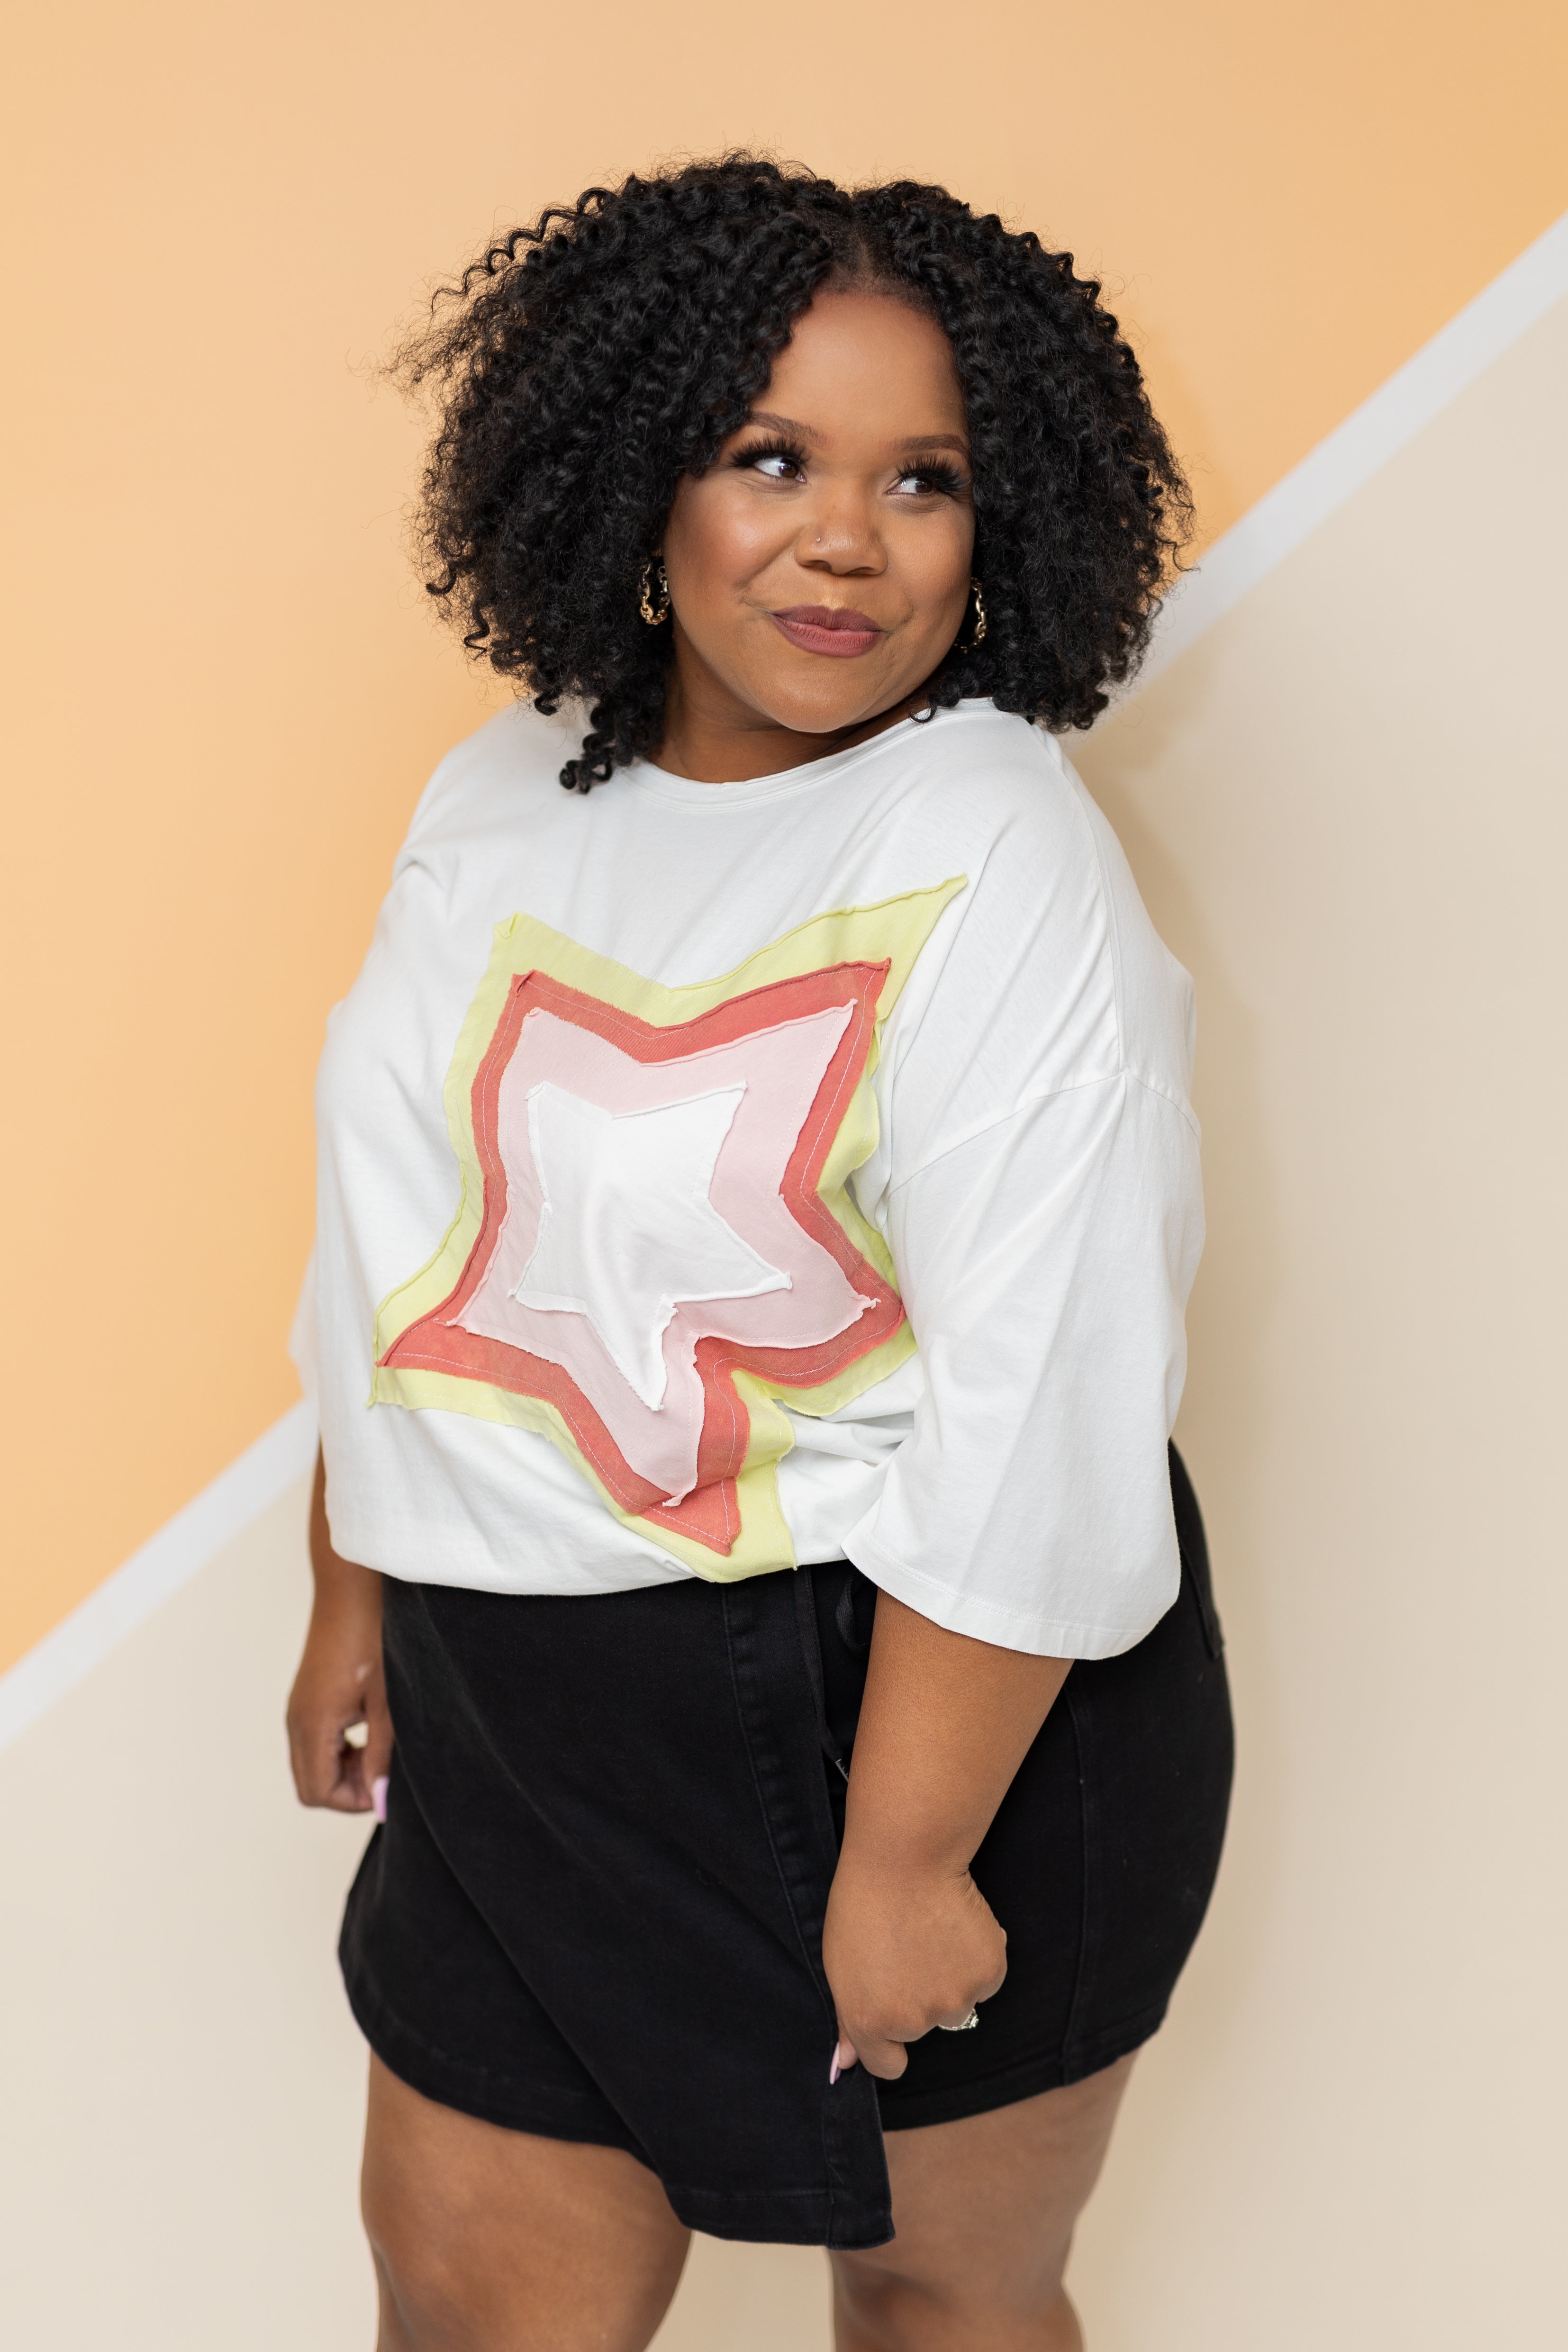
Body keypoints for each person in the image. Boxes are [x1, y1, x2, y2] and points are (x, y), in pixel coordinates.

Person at [287, 156, 1233, 2352]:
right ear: (639, 472)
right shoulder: (502, 790)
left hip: (907, 1690)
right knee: (468, 2296)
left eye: (926, 478)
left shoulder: (997, 844)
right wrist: (355, 1574)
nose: (849, 539)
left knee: (933, 2304)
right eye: (771, 457)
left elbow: (1046, 1392)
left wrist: (904, 1854)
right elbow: (407, 1228)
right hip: (526, 1688)